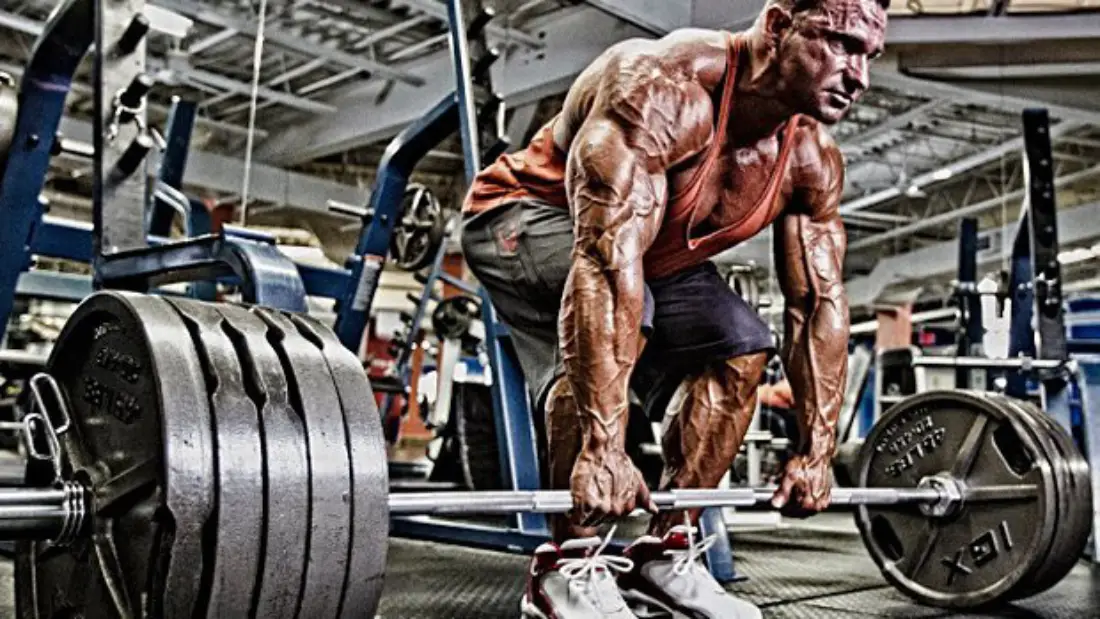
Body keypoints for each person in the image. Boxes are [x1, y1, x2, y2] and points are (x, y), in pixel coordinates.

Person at [460, 0, 887, 615]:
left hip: (647, 253)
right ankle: (565, 564)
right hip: (523, 216)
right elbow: (604, 265)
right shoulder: (662, 89)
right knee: (623, 322)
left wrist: (816, 452)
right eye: (842, 43)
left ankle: (665, 551)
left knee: (741, 346)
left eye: (869, 55)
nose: (860, 75)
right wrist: (606, 449)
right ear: (776, 26)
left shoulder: (809, 159)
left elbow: (818, 303)